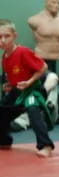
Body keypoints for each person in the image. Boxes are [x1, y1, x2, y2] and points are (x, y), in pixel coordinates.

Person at [0, 19, 55, 157]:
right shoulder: (4, 58)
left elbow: (43, 67)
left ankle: (46, 146)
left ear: (14, 36)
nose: (3, 40)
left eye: (7, 36)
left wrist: (29, 81)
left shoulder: (23, 52)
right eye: (0, 37)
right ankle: (4, 140)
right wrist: (10, 85)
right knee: (2, 111)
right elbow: (15, 76)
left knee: (32, 110)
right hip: (17, 92)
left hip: (32, 90)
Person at [28, 0, 59, 72]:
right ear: (46, 2)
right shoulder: (34, 20)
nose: (56, 5)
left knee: (52, 81)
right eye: (53, 2)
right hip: (41, 56)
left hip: (57, 55)